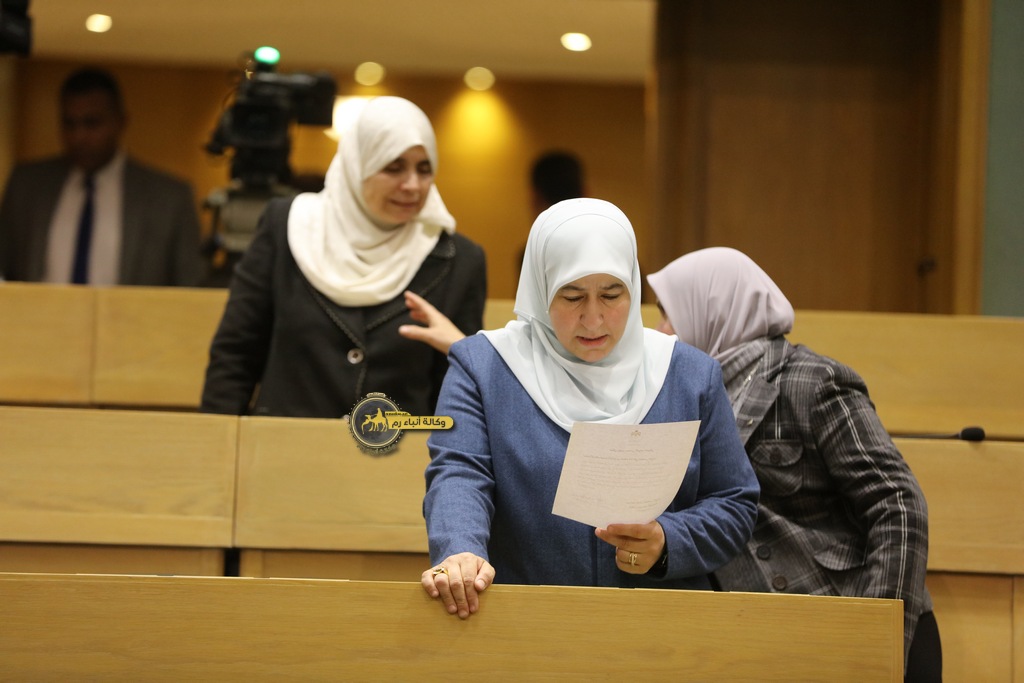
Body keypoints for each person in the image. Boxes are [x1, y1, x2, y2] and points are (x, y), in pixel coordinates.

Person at [420, 198, 759, 619]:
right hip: (527, 621)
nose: (594, 319)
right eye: (572, 296)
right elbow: (459, 473)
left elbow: (733, 501)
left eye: (612, 294)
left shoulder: (687, 373)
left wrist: (668, 540)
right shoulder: (485, 366)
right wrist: (460, 549)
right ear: (541, 289)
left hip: (664, 625)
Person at [647, 247, 939, 681]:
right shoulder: (679, 398)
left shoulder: (811, 380)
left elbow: (898, 504)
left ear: (711, 309)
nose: (661, 330)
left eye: (668, 314)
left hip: (849, 627)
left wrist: (877, 632)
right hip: (762, 642)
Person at [200, 96, 486, 418]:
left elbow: (456, 394)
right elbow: (235, 354)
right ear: (356, 165)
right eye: (393, 167)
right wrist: (216, 442)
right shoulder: (290, 227)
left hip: (398, 447)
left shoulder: (458, 259)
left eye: (424, 169)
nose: (413, 185)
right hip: (281, 442)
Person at [0, 67, 202, 286]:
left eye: (92, 123)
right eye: (70, 123)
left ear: (120, 122)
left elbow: (192, 284)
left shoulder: (168, 198)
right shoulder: (27, 186)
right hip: (38, 308)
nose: (79, 137)